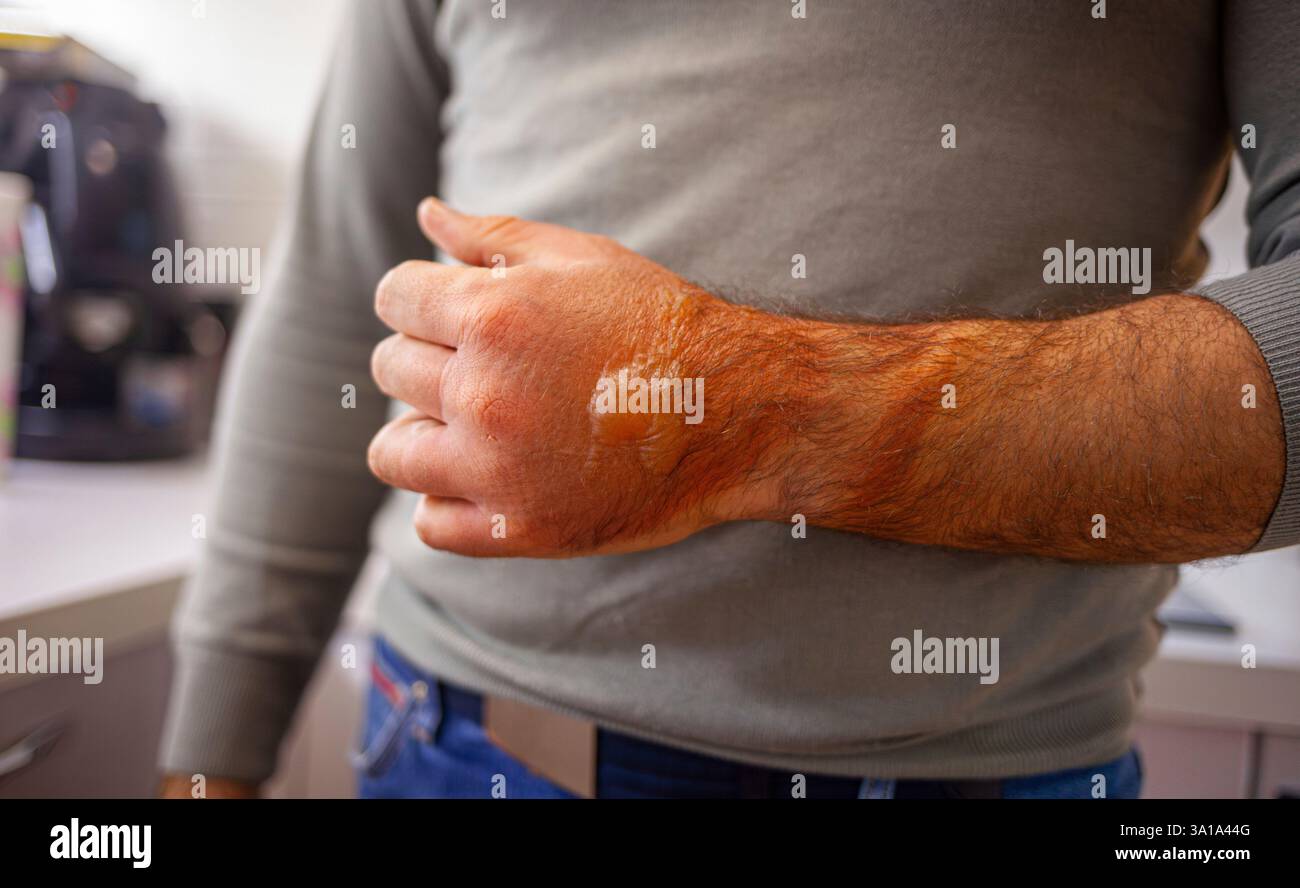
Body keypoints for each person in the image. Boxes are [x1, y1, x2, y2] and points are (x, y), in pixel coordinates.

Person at [159, 0, 1299, 799]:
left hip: (995, 775)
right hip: (456, 745)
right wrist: (213, 752)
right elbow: (328, 292)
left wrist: (738, 414)